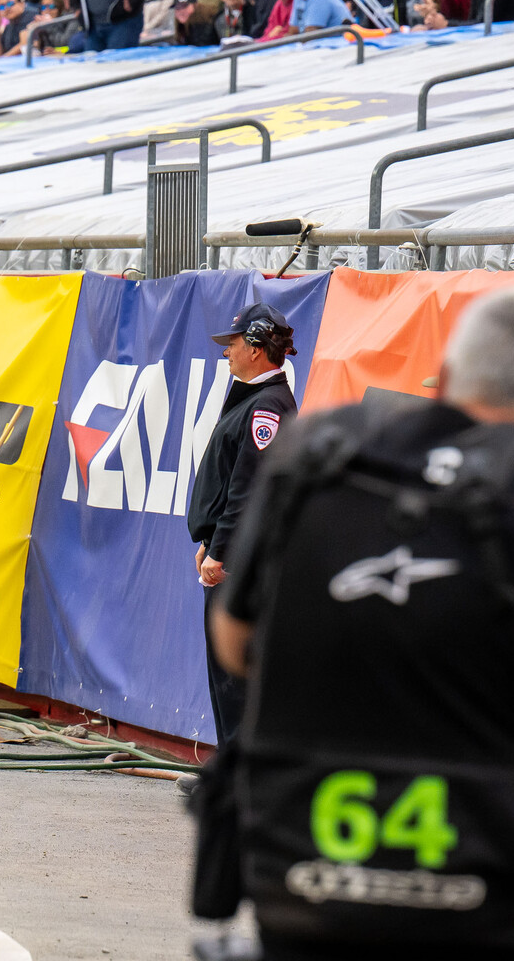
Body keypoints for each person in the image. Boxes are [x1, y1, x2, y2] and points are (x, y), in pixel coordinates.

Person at [202, 286, 514, 961]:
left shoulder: (317, 459)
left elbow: (237, 646)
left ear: (443, 383)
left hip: (313, 876)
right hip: (506, 895)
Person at [186, 302, 295, 755]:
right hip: (237, 552)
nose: (226, 352)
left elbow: (248, 489)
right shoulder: (257, 400)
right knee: (227, 678)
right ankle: (234, 773)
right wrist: (212, 540)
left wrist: (222, 551)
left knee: (235, 679)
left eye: (232, 343)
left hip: (242, 560)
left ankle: (238, 780)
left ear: (255, 348)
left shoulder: (266, 406)